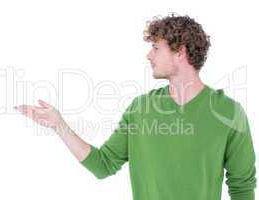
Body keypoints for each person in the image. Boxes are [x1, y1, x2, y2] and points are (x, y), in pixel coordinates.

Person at [14, 13, 256, 200]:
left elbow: (242, 186)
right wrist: (59, 125)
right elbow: (103, 165)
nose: (148, 56)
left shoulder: (228, 112)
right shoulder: (141, 108)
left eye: (156, 48)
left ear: (180, 52)